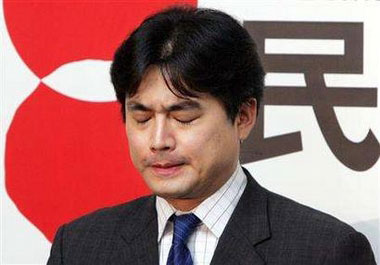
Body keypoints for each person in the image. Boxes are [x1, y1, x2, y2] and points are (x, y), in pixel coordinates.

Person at [47, 6, 376, 265]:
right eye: (142, 116)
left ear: (244, 117)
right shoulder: (79, 246)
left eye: (184, 116)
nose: (158, 140)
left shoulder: (324, 251)